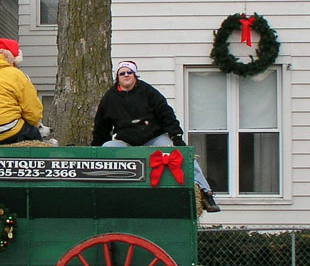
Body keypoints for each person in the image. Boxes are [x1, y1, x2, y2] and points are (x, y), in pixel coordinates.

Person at [91, 60, 221, 213]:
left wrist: (176, 136)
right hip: (127, 142)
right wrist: (96, 148)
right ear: (117, 77)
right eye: (122, 73)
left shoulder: (148, 91)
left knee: (181, 154)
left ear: (135, 75)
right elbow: (101, 126)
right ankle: (105, 193)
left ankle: (206, 193)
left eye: (129, 72)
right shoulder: (109, 98)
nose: (126, 75)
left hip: (154, 137)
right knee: (107, 149)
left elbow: (166, 113)